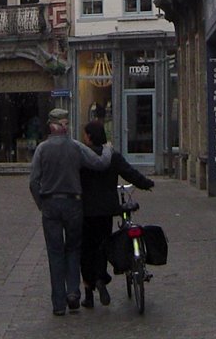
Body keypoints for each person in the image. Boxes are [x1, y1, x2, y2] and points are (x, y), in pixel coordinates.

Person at [29, 108, 113, 317]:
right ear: (65, 125)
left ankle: (59, 304)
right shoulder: (75, 147)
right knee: (73, 249)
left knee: (55, 253)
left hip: (50, 204)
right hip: (73, 204)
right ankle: (73, 293)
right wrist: (109, 148)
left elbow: (33, 182)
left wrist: (42, 203)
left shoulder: (41, 149)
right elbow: (100, 163)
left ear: (51, 125)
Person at [79, 119, 154, 308]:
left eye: (85, 134)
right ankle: (101, 279)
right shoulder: (111, 155)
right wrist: (146, 184)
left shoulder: (82, 156)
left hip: (86, 211)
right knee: (102, 246)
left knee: (86, 250)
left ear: (89, 136)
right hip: (106, 210)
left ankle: (88, 294)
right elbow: (129, 172)